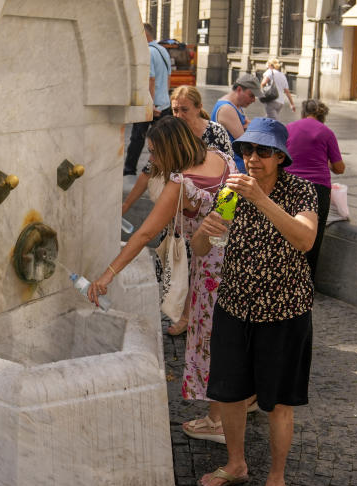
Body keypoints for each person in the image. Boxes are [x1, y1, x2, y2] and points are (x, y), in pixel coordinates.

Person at [193, 118, 318, 486]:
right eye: (247, 151)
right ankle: (235, 465)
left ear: (280, 157)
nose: (253, 159)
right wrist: (204, 230)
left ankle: (277, 480)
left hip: (283, 312)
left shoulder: (300, 190)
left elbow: (304, 239)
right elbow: (202, 246)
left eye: (263, 152)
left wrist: (262, 200)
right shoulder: (231, 191)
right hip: (234, 307)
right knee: (228, 393)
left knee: (278, 402)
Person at [87, 117, 230, 372]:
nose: (150, 159)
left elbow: (144, 234)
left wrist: (107, 276)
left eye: (154, 152)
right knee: (234, 334)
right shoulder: (220, 157)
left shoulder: (181, 184)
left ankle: (219, 410)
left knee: (212, 338)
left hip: (211, 267)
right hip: (239, 253)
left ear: (170, 149)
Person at [121, 86, 233, 337]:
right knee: (178, 268)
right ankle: (187, 317)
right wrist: (127, 204)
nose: (179, 114)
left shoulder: (215, 135)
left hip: (212, 231)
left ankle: (193, 321)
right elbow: (149, 170)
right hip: (180, 221)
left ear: (197, 108)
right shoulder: (169, 135)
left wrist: (222, 218)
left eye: (185, 109)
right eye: (175, 110)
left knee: (206, 283)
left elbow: (230, 181)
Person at [285, 99, 345, 279]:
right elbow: (339, 168)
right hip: (318, 189)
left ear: (303, 112)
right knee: (313, 237)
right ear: (323, 116)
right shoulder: (326, 132)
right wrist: (325, 160)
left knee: (286, 231)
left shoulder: (288, 128)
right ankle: (306, 284)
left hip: (289, 184)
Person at [124, 23, 172, 175]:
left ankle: (129, 170)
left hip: (151, 105)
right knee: (163, 141)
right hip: (164, 104)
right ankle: (163, 170)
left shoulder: (148, 52)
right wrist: (166, 98)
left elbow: (150, 80)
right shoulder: (163, 50)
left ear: (144, 35)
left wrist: (149, 104)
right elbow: (168, 77)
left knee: (137, 138)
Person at [210, 74, 261, 173]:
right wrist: (248, 128)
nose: (254, 100)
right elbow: (245, 140)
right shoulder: (227, 108)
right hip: (233, 166)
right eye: (251, 95)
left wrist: (248, 127)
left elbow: (249, 126)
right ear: (239, 89)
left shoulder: (235, 106)